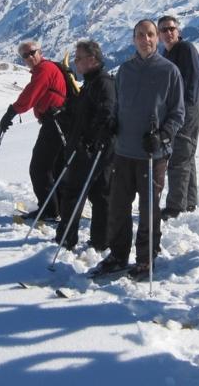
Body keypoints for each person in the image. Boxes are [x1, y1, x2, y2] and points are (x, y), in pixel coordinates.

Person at [90, 19, 185, 280]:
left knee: (149, 209)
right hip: (123, 151)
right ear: (133, 39)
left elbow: (178, 113)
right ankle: (118, 254)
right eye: (141, 35)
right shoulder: (126, 71)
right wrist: (111, 124)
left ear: (157, 38)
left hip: (152, 155)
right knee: (118, 206)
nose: (146, 39)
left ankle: (146, 257)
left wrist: (163, 134)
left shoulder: (169, 71)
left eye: (151, 35)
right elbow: (119, 106)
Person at [55, 40, 116, 251]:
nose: (75, 62)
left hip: (92, 149)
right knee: (99, 194)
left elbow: (107, 113)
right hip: (91, 147)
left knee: (74, 193)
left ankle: (66, 238)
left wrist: (90, 139)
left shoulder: (103, 83)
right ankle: (101, 240)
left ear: (92, 60)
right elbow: (84, 112)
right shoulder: (91, 82)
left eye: (79, 58)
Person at [0, 41, 68, 221]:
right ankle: (59, 206)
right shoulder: (49, 68)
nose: (29, 57)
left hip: (54, 122)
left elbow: (31, 94)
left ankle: (50, 210)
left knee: (39, 167)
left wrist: (11, 112)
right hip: (60, 121)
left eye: (32, 52)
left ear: (40, 51)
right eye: (25, 55)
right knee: (55, 167)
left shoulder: (44, 70)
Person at [157, 15, 199, 220]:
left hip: (186, 109)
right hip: (180, 109)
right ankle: (189, 200)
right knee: (186, 155)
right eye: (163, 30)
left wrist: (181, 111)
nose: (168, 33)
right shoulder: (166, 53)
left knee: (179, 155)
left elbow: (192, 80)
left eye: (171, 29)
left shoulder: (185, 49)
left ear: (178, 31)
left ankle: (175, 206)